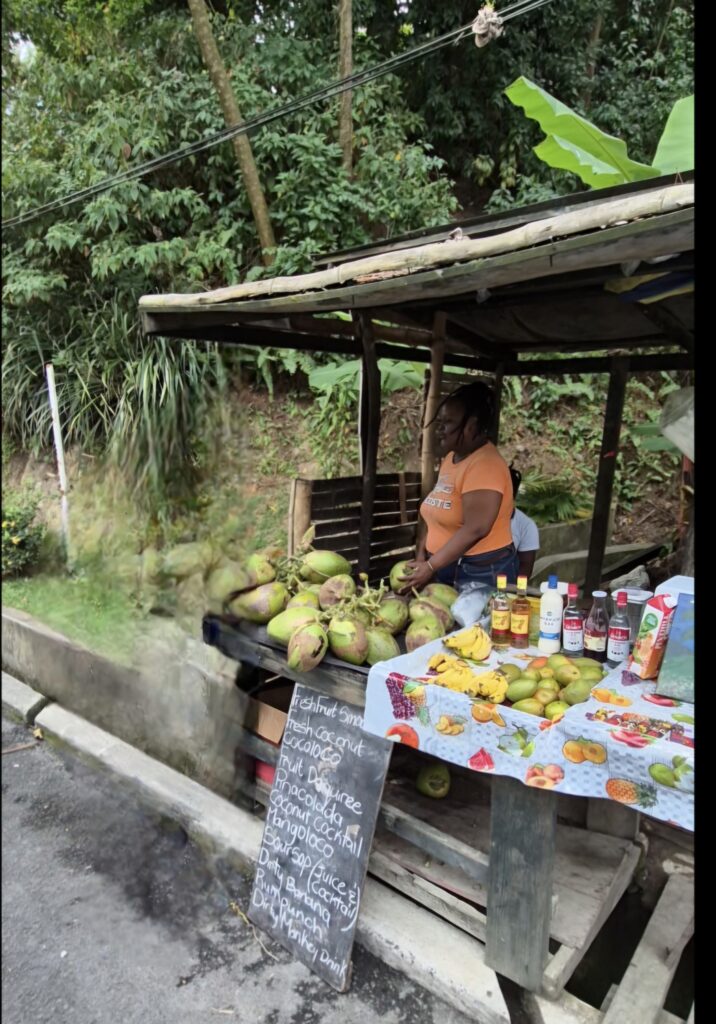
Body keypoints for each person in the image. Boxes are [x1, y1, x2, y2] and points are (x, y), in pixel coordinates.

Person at [397, 381, 518, 593]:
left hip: (480, 573)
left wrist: (431, 566)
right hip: (447, 566)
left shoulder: (485, 465)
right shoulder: (452, 457)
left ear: (471, 424)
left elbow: (476, 528)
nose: (440, 429)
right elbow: (438, 511)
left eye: (448, 422)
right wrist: (422, 555)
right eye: (440, 421)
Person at [509, 464, 540, 580]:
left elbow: (526, 567)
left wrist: (516, 593)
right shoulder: (474, 517)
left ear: (514, 493)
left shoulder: (526, 525)